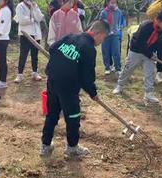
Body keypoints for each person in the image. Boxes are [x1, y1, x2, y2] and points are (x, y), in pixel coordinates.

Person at [40, 21, 110, 159]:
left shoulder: (71, 37)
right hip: (68, 87)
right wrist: (93, 93)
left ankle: (45, 146)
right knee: (72, 118)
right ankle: (72, 148)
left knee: (52, 115)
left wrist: (60, 61)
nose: (102, 41)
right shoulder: (89, 48)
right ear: (98, 33)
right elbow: (87, 77)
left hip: (53, 80)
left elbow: (53, 48)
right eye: (104, 37)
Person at [113, 10, 162, 105]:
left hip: (150, 53)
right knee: (128, 69)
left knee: (150, 73)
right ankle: (120, 86)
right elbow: (140, 43)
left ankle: (148, 93)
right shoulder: (146, 26)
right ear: (159, 20)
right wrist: (150, 55)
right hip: (136, 51)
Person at [14, 0, 45, 83]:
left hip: (36, 34)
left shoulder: (35, 5)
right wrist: (32, 19)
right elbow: (22, 20)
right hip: (25, 34)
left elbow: (39, 18)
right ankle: (20, 74)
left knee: (35, 55)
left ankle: (35, 72)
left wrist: (34, 8)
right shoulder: (20, 6)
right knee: (23, 54)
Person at [0, 0, 14, 89]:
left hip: (1, 39)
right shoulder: (2, 9)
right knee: (0, 60)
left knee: (2, 61)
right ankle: (1, 79)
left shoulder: (6, 10)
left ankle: (3, 81)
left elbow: (2, 27)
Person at [99, 0, 125, 75]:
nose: (113, 4)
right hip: (105, 35)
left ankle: (118, 68)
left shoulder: (119, 12)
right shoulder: (103, 12)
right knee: (106, 52)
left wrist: (118, 28)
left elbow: (120, 22)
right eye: (112, 3)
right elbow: (101, 23)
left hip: (115, 35)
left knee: (116, 52)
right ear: (108, 3)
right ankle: (107, 67)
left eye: (115, 3)